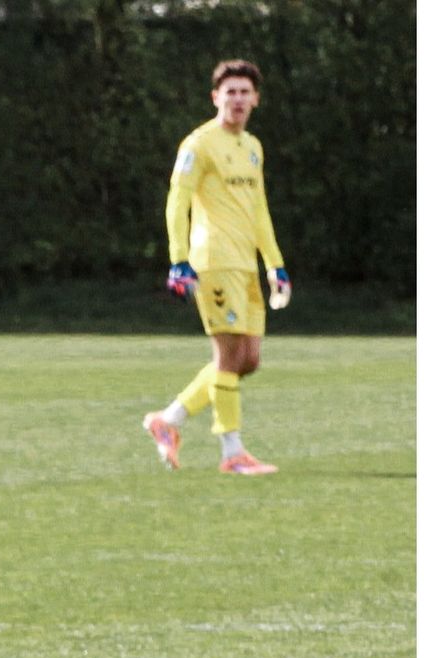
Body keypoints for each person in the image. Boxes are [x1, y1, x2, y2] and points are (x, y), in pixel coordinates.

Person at [142, 59, 288, 477]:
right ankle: (232, 452)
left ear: (256, 99)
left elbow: (259, 209)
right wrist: (178, 258)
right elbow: (178, 201)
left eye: (245, 92)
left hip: (247, 265)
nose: (238, 99)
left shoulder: (253, 147)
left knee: (248, 359)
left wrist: (275, 264)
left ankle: (167, 420)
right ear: (216, 98)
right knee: (226, 357)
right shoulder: (198, 144)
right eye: (231, 92)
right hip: (214, 261)